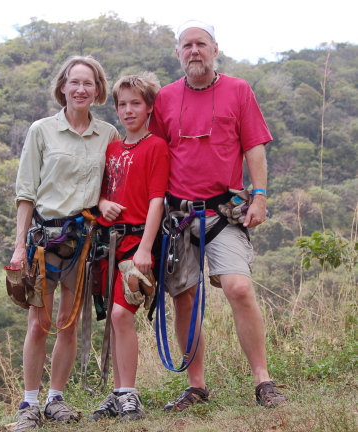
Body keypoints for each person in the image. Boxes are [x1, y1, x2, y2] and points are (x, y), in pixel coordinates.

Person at [148, 19, 288, 410]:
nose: (194, 50)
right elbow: (156, 153)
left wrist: (259, 196)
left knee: (239, 288)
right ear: (178, 54)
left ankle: (263, 380)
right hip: (178, 214)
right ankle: (196, 387)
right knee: (184, 298)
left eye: (201, 44)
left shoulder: (238, 90)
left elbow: (254, 146)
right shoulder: (165, 98)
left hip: (223, 209)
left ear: (214, 49)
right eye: (187, 45)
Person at [9, 55, 119, 431]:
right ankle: (29, 402)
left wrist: (103, 201)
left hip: (83, 241)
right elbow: (26, 192)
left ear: (98, 89)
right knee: (38, 323)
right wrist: (19, 244)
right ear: (63, 87)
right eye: (74, 82)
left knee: (68, 324)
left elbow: (114, 184)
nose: (81, 89)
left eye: (88, 83)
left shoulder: (108, 134)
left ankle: (56, 398)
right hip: (43, 238)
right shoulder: (42, 130)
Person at [90, 72, 170, 422]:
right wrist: (103, 203)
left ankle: (129, 393)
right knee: (113, 319)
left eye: (135, 103)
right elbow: (102, 192)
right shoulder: (111, 148)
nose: (127, 110)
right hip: (108, 242)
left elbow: (157, 200)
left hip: (138, 241)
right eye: (122, 104)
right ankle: (119, 392)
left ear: (149, 106)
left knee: (123, 315)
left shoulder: (156, 147)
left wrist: (146, 249)